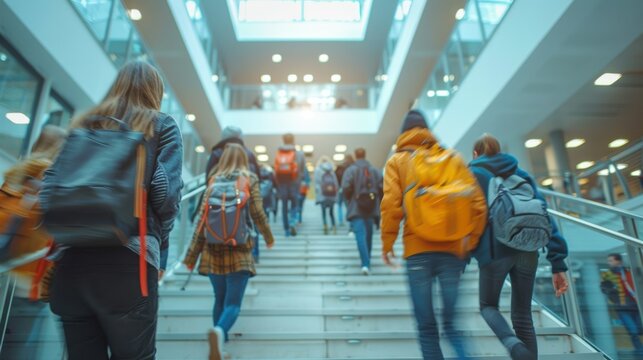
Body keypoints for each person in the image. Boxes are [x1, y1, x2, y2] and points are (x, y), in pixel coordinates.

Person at [42, 61, 184, 360]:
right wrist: (163, 246)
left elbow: (49, 187)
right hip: (129, 260)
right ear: (155, 92)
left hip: (71, 262)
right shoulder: (161, 124)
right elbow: (164, 195)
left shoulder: (83, 123)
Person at [381, 110, 487, 360]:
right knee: (452, 326)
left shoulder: (397, 161)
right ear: (427, 130)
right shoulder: (452, 158)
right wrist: (468, 241)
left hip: (417, 251)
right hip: (453, 251)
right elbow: (479, 206)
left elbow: (390, 205)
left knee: (427, 329)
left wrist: (387, 243)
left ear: (404, 133)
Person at [469, 133, 569, 360]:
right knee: (523, 315)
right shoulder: (520, 173)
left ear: (475, 154)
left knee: (488, 306)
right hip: (528, 248)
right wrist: (557, 261)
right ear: (498, 151)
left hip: (494, 251)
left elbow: (466, 218)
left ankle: (515, 347)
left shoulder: (473, 174)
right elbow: (544, 213)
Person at [184, 143, 275, 360]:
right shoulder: (249, 179)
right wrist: (269, 238)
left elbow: (201, 221)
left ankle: (219, 347)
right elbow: (257, 213)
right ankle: (219, 332)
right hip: (240, 250)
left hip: (212, 250)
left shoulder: (213, 180)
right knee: (233, 304)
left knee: (220, 299)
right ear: (243, 159)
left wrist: (191, 256)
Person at [1, 125, 67, 359]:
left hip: (8, 270)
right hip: (30, 277)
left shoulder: (15, 175)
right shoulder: (47, 178)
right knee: (19, 346)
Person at [342, 148, 382, 275]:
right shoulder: (374, 170)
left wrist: (350, 199)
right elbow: (382, 187)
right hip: (371, 207)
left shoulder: (351, 170)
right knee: (369, 235)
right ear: (365, 155)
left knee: (360, 235)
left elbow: (345, 187)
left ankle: (365, 264)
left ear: (356, 156)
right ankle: (367, 259)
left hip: (356, 207)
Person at [601, 253, 643, 355]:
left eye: (611, 260)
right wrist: (614, 296)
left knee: (640, 329)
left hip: (636, 305)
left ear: (618, 261)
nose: (609, 263)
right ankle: (639, 351)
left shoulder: (629, 271)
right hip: (622, 307)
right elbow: (604, 289)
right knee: (632, 331)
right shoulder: (607, 274)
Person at [274, 133, 305, 236]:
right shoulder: (299, 153)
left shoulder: (279, 152)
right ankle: (292, 222)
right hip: (295, 182)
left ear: (283, 140)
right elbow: (302, 169)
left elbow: (276, 169)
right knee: (294, 204)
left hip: (282, 183)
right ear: (293, 140)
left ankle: (286, 230)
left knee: (284, 206)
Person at [314, 156, 339, 235]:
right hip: (332, 195)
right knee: (331, 212)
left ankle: (325, 227)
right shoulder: (331, 170)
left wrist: (318, 193)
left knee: (324, 212)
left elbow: (317, 183)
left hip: (323, 195)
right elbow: (336, 183)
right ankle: (334, 227)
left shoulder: (318, 170)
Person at [335, 155, 354, 226]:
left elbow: (335, 179)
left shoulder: (339, 168)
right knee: (348, 206)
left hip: (340, 189)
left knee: (339, 205)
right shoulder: (353, 168)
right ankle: (350, 222)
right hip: (349, 190)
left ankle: (340, 221)